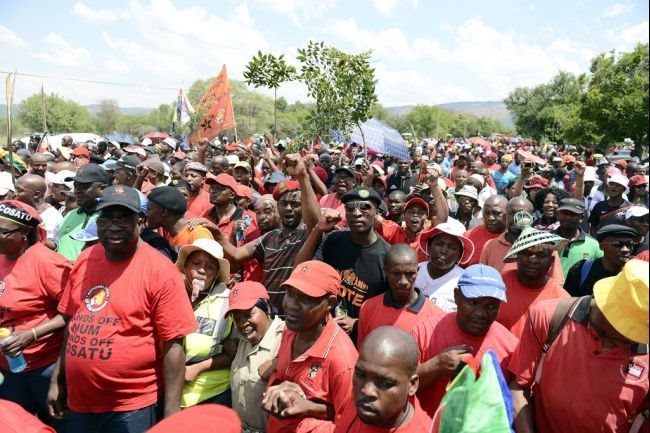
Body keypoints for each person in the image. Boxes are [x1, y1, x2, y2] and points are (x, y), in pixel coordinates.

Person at [49, 185, 197, 432]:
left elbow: (174, 345)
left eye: (124, 218)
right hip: (80, 402)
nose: (114, 226)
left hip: (131, 407)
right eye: (107, 217)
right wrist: (58, 379)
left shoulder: (161, 270)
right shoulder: (85, 259)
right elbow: (72, 324)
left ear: (140, 222)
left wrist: (171, 414)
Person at [509, 259, 649, 433]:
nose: (633, 339)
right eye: (628, 329)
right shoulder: (550, 317)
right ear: (607, 308)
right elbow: (518, 387)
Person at [209, 155, 321, 315]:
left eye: (295, 204)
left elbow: (316, 223)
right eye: (284, 204)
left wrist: (303, 175)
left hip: (294, 314)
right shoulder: (270, 237)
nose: (289, 208)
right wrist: (217, 234)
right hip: (269, 315)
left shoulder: (307, 235)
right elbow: (236, 254)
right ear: (278, 206)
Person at [410, 264, 519, 418]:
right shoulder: (425, 331)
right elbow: (399, 387)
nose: (481, 313)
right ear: (456, 296)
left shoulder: (511, 348)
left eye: (491, 306)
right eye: (473, 303)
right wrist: (436, 365)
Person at [0, 201, 71, 432]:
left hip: (46, 366)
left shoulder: (48, 263)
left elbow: (74, 312)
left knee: (58, 424)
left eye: (2, 231)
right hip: (9, 366)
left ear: (24, 234)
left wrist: (32, 333)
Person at [262, 260, 357, 433]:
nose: (291, 305)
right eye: (289, 293)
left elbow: (348, 427)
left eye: (304, 298)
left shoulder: (342, 361)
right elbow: (281, 373)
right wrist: (279, 386)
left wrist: (309, 410)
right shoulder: (290, 329)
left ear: (329, 303)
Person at [296, 187, 391, 336]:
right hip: (325, 331)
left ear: (377, 213)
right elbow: (300, 269)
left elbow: (392, 310)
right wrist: (317, 230)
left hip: (362, 338)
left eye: (365, 207)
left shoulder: (388, 257)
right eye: (351, 208)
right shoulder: (334, 240)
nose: (357, 213)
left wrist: (357, 323)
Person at [334, 327, 433, 433]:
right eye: (361, 375)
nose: (367, 391)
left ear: (412, 385)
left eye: (385, 383)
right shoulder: (362, 402)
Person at [175, 239, 236, 407]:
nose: (202, 270)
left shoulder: (228, 300)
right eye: (196, 264)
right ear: (185, 266)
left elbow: (233, 352)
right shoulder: (170, 293)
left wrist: (197, 368)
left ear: (216, 274)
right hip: (171, 392)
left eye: (210, 267)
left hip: (211, 394)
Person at [357, 244, 444, 348]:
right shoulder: (368, 308)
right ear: (385, 272)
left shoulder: (436, 317)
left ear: (418, 271)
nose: (403, 281)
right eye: (396, 273)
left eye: (410, 274)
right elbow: (362, 352)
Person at [226, 281, 284, 432]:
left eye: (248, 315)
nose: (243, 323)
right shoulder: (243, 337)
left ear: (267, 309)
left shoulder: (287, 339)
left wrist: (280, 362)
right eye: (237, 319)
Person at [497, 227, 570, 337]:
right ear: (517, 257)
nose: (533, 260)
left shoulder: (561, 300)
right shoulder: (498, 284)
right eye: (527, 254)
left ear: (551, 261)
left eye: (541, 256)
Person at [480, 198, 565, 285]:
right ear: (505, 217)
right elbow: (482, 279)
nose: (516, 219)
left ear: (532, 219)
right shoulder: (490, 245)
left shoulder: (546, 246)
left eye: (522, 215)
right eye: (511, 213)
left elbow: (556, 283)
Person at [414, 220, 474, 312]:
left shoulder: (464, 281)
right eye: (439, 244)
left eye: (452, 248)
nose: (443, 251)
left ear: (459, 255)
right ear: (429, 247)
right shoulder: (414, 271)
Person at [564, 224, 637, 296]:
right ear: (601, 246)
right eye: (617, 244)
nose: (625, 249)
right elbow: (568, 301)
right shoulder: (580, 270)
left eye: (630, 244)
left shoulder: (637, 273)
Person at [56, 163, 108, 262]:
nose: (77, 191)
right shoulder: (71, 214)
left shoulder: (107, 218)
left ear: (102, 188)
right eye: (76, 186)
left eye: (84, 187)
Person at [146, 186, 213, 251]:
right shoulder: (171, 234)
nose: (146, 213)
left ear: (164, 212)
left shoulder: (198, 234)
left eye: (149, 209)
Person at [553, 198, 603, 276]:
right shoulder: (546, 240)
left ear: (581, 218)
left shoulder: (594, 244)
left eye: (573, 214)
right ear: (557, 215)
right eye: (564, 213)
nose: (568, 217)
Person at [14, 174, 63, 248]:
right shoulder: (16, 209)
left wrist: (32, 231)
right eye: (15, 190)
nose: (15, 194)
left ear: (36, 194)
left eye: (19, 190)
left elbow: (53, 246)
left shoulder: (52, 217)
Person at [464, 195, 507, 266]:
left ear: (508, 214)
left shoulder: (516, 239)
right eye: (486, 213)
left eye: (496, 213)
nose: (490, 218)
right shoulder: (468, 237)